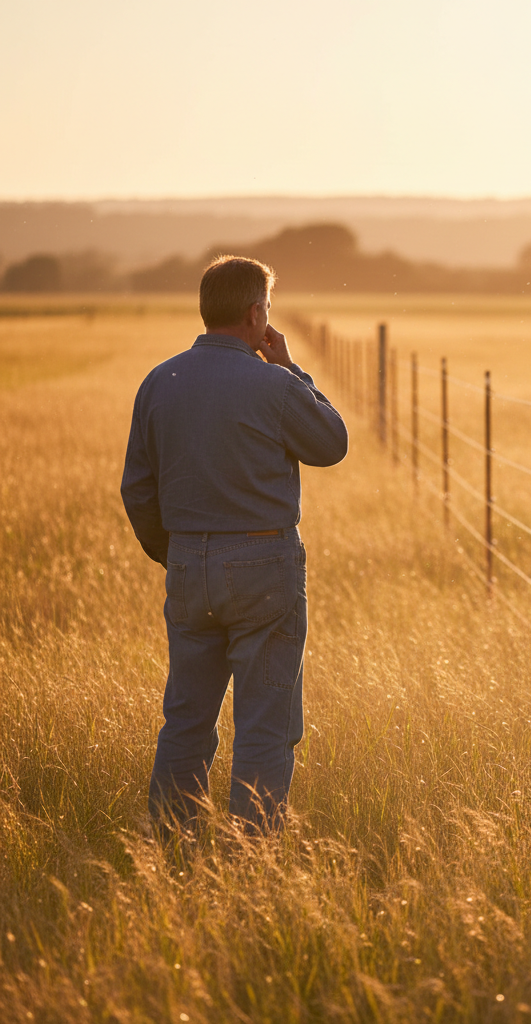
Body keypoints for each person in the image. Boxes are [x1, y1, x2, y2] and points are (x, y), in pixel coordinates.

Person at [121, 255, 348, 833]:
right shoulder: (272, 383)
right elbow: (331, 443)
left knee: (187, 718)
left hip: (187, 563)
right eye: (266, 309)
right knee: (265, 724)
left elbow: (137, 489)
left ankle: (172, 850)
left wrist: (173, 552)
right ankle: (251, 862)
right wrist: (293, 368)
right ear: (255, 315)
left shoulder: (159, 380)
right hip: (263, 566)